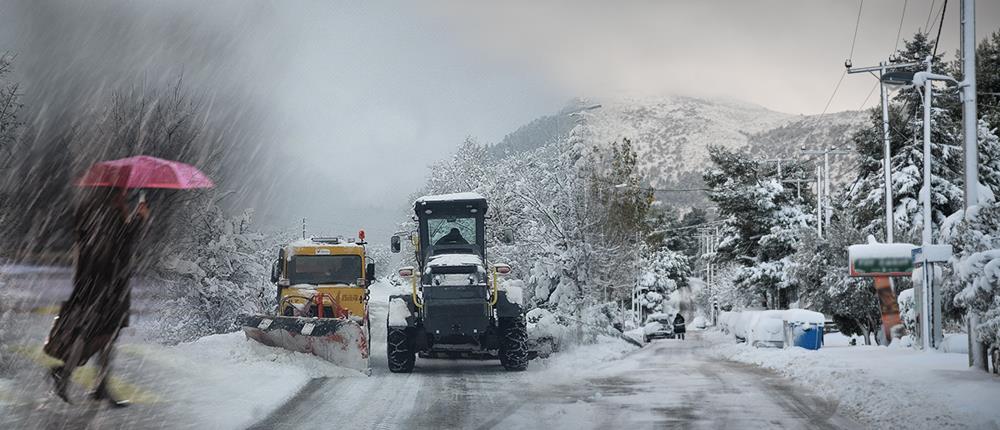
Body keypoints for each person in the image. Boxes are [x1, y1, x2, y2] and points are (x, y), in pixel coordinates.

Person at [44, 188, 149, 407]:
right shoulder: (107, 212)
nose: (125, 193)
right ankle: (65, 373)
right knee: (100, 335)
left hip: (97, 285)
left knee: (104, 336)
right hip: (105, 287)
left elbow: (111, 244)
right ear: (113, 192)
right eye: (122, 191)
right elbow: (121, 247)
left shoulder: (95, 210)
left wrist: (130, 219)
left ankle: (99, 386)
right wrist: (139, 219)